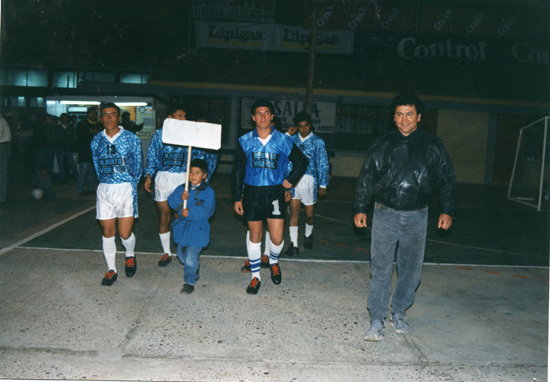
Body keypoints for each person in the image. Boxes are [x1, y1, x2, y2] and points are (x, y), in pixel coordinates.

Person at [354, 93, 457, 341]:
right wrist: (360, 207)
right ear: (394, 118)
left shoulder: (434, 145)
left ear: (419, 117)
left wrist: (447, 210)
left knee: (411, 271)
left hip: (417, 216)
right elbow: (367, 176)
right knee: (380, 269)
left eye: (409, 114)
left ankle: (398, 312)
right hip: (384, 214)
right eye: (399, 114)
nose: (404, 119)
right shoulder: (382, 144)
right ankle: (377, 320)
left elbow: (447, 180)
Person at [233, 99, 308, 294]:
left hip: (274, 192)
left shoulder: (283, 140)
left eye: (267, 113)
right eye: (259, 113)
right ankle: (255, 277)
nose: (263, 117)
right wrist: (236, 197)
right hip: (252, 193)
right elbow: (238, 171)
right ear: (253, 117)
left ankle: (273, 261)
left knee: (276, 238)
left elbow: (301, 162)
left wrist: (290, 181)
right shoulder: (244, 141)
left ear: (272, 116)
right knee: (255, 235)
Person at [144, 104, 218, 267]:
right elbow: (152, 156)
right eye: (180, 116)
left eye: (185, 116)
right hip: (163, 177)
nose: (183, 119)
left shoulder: (188, 134)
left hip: (182, 177)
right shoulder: (159, 134)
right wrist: (148, 175)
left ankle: (184, 249)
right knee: (163, 215)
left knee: (181, 215)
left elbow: (199, 157)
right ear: (170, 117)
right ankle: (166, 252)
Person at [91, 102, 143, 286]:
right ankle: (111, 270)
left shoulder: (131, 138)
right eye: (105, 114)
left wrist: (129, 185)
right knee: (107, 231)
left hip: (125, 188)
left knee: (124, 233)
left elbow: (138, 167)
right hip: (105, 188)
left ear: (119, 117)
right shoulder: (96, 140)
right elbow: (97, 167)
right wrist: (106, 182)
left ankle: (130, 255)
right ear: (100, 118)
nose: (109, 118)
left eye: (113, 114)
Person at [285, 111, 330, 256]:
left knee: (309, 215)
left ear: (310, 125)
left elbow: (323, 164)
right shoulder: (291, 140)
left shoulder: (318, 141)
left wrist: (323, 184)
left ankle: (309, 234)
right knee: (294, 213)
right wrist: (286, 134)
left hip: (310, 180)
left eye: (306, 125)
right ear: (296, 127)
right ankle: (294, 244)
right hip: (294, 180)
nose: (303, 129)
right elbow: (281, 152)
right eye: (300, 126)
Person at [167, 158, 215, 294]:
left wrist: (190, 212)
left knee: (189, 259)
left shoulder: (208, 192)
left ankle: (189, 281)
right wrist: (181, 199)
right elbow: (172, 203)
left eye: (197, 173)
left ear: (204, 175)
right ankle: (194, 267)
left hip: (198, 231)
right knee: (181, 256)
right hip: (182, 230)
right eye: (191, 172)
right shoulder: (183, 188)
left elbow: (208, 210)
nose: (193, 175)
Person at [76, 107, 102, 196]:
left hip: (95, 153)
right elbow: (79, 134)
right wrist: (91, 131)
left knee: (92, 173)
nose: (93, 115)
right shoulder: (82, 124)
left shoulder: (99, 125)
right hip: (85, 152)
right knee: (83, 172)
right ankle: (81, 189)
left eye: (95, 113)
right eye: (91, 113)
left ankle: (90, 189)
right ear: (88, 114)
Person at [53, 113, 79, 184]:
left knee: (72, 163)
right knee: (60, 164)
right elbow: (56, 138)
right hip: (60, 148)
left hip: (68, 148)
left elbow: (73, 136)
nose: (64, 119)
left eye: (65, 118)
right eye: (62, 118)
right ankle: (63, 178)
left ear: (67, 119)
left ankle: (76, 177)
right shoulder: (58, 127)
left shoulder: (71, 127)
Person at [0, 113, 12, 203]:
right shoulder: (3, 119)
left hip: (2, 147)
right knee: (3, 172)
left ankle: (2, 196)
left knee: (2, 173)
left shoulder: (0, 121)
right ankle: (2, 195)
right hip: (5, 147)